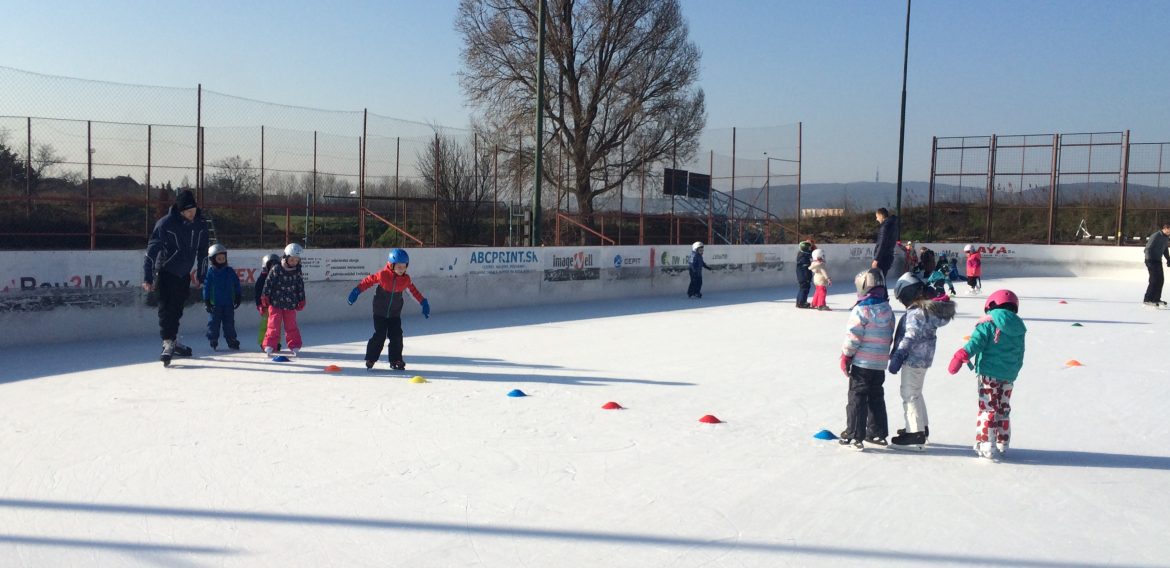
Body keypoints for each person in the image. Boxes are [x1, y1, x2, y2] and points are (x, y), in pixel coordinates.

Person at [947, 289, 1027, 460]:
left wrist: (961, 356)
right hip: (1008, 375)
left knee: (988, 407)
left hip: (988, 374)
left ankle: (985, 443)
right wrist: (1015, 370)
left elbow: (975, 343)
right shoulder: (1018, 327)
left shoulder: (988, 323)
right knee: (1003, 408)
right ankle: (1002, 442)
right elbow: (1020, 353)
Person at [888, 272, 955, 449]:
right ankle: (921, 427)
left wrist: (899, 355)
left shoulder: (916, 314)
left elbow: (910, 336)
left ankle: (915, 434)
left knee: (909, 394)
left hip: (913, 359)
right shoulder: (926, 311)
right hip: (923, 359)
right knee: (916, 392)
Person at [142, 189, 208, 366]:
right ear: (180, 211)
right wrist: (148, 276)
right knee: (166, 309)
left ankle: (173, 340)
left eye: (193, 210)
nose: (191, 214)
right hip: (165, 272)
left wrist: (201, 275)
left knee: (177, 309)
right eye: (188, 211)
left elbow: (203, 252)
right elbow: (151, 251)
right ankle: (168, 342)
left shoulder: (200, 225)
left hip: (183, 274)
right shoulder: (165, 224)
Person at [838, 268, 895, 450]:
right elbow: (889, 335)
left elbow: (853, 337)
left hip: (862, 363)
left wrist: (846, 356)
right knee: (876, 396)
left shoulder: (861, 310)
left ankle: (855, 434)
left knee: (857, 396)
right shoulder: (888, 309)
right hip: (879, 364)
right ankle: (877, 433)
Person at [347, 248, 431, 370]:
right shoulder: (383, 275)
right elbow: (368, 281)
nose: (402, 269)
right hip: (380, 312)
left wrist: (423, 302)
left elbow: (413, 292)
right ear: (391, 265)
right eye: (399, 266)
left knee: (397, 335)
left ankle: (396, 360)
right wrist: (356, 291)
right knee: (380, 335)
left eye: (404, 266)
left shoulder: (406, 279)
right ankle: (371, 358)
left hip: (394, 314)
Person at [260, 243, 307, 357]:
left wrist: (301, 299)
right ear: (285, 257)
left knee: (291, 325)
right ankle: (270, 345)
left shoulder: (297, 271)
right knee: (273, 325)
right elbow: (268, 283)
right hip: (275, 303)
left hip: (290, 304)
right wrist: (265, 296)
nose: (294, 262)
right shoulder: (276, 269)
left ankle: (294, 345)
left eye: (296, 260)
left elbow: (299, 286)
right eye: (292, 260)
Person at [202, 243, 241, 350]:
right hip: (215, 304)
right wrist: (206, 300)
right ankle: (213, 339)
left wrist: (238, 296)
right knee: (213, 323)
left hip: (228, 303)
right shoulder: (210, 273)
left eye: (223, 258)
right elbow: (206, 287)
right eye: (219, 258)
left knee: (229, 323)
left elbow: (236, 283)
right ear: (213, 259)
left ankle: (231, 339)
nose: (222, 260)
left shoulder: (230, 271)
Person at [254, 253, 281, 351]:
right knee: (265, 325)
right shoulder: (262, 279)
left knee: (276, 325)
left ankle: (276, 342)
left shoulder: (279, 277)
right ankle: (263, 342)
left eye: (275, 265)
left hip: (276, 305)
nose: (273, 267)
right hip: (265, 306)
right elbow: (258, 292)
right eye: (271, 265)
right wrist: (259, 304)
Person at [1142, 223, 1170, 307]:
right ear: (1166, 228)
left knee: (1160, 280)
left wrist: (1168, 259)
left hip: (1158, 261)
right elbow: (1147, 248)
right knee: (1154, 280)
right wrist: (1149, 260)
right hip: (1151, 261)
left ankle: (1156, 299)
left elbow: (1165, 249)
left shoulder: (1166, 237)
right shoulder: (1156, 236)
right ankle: (1147, 299)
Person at [870, 207, 899, 280]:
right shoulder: (893, 226)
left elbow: (882, 244)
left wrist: (876, 259)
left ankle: (881, 291)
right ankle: (883, 291)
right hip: (888, 256)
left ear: (881, 216)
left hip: (882, 258)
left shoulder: (885, 227)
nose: (876, 219)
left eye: (877, 217)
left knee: (878, 281)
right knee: (882, 280)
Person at [795, 240, 814, 308]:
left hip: (801, 276)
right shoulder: (804, 257)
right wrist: (807, 278)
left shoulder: (801, 254)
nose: (810, 249)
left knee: (802, 288)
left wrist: (811, 245)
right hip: (804, 276)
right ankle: (801, 303)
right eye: (809, 248)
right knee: (805, 289)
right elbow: (806, 269)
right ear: (805, 248)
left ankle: (799, 302)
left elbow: (812, 253)